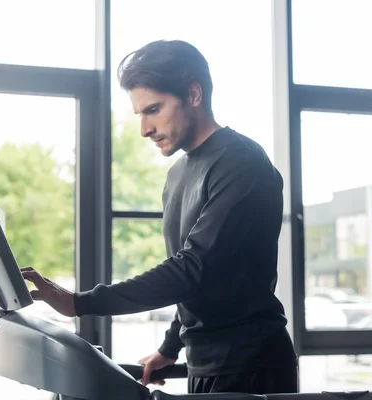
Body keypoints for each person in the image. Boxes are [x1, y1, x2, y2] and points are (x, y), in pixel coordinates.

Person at [21, 39, 298, 395]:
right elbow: (195, 284)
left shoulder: (242, 163)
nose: (144, 129)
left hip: (252, 364)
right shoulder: (177, 173)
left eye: (153, 109)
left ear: (193, 94)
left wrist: (80, 302)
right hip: (206, 362)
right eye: (139, 114)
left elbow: (194, 269)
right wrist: (170, 348)